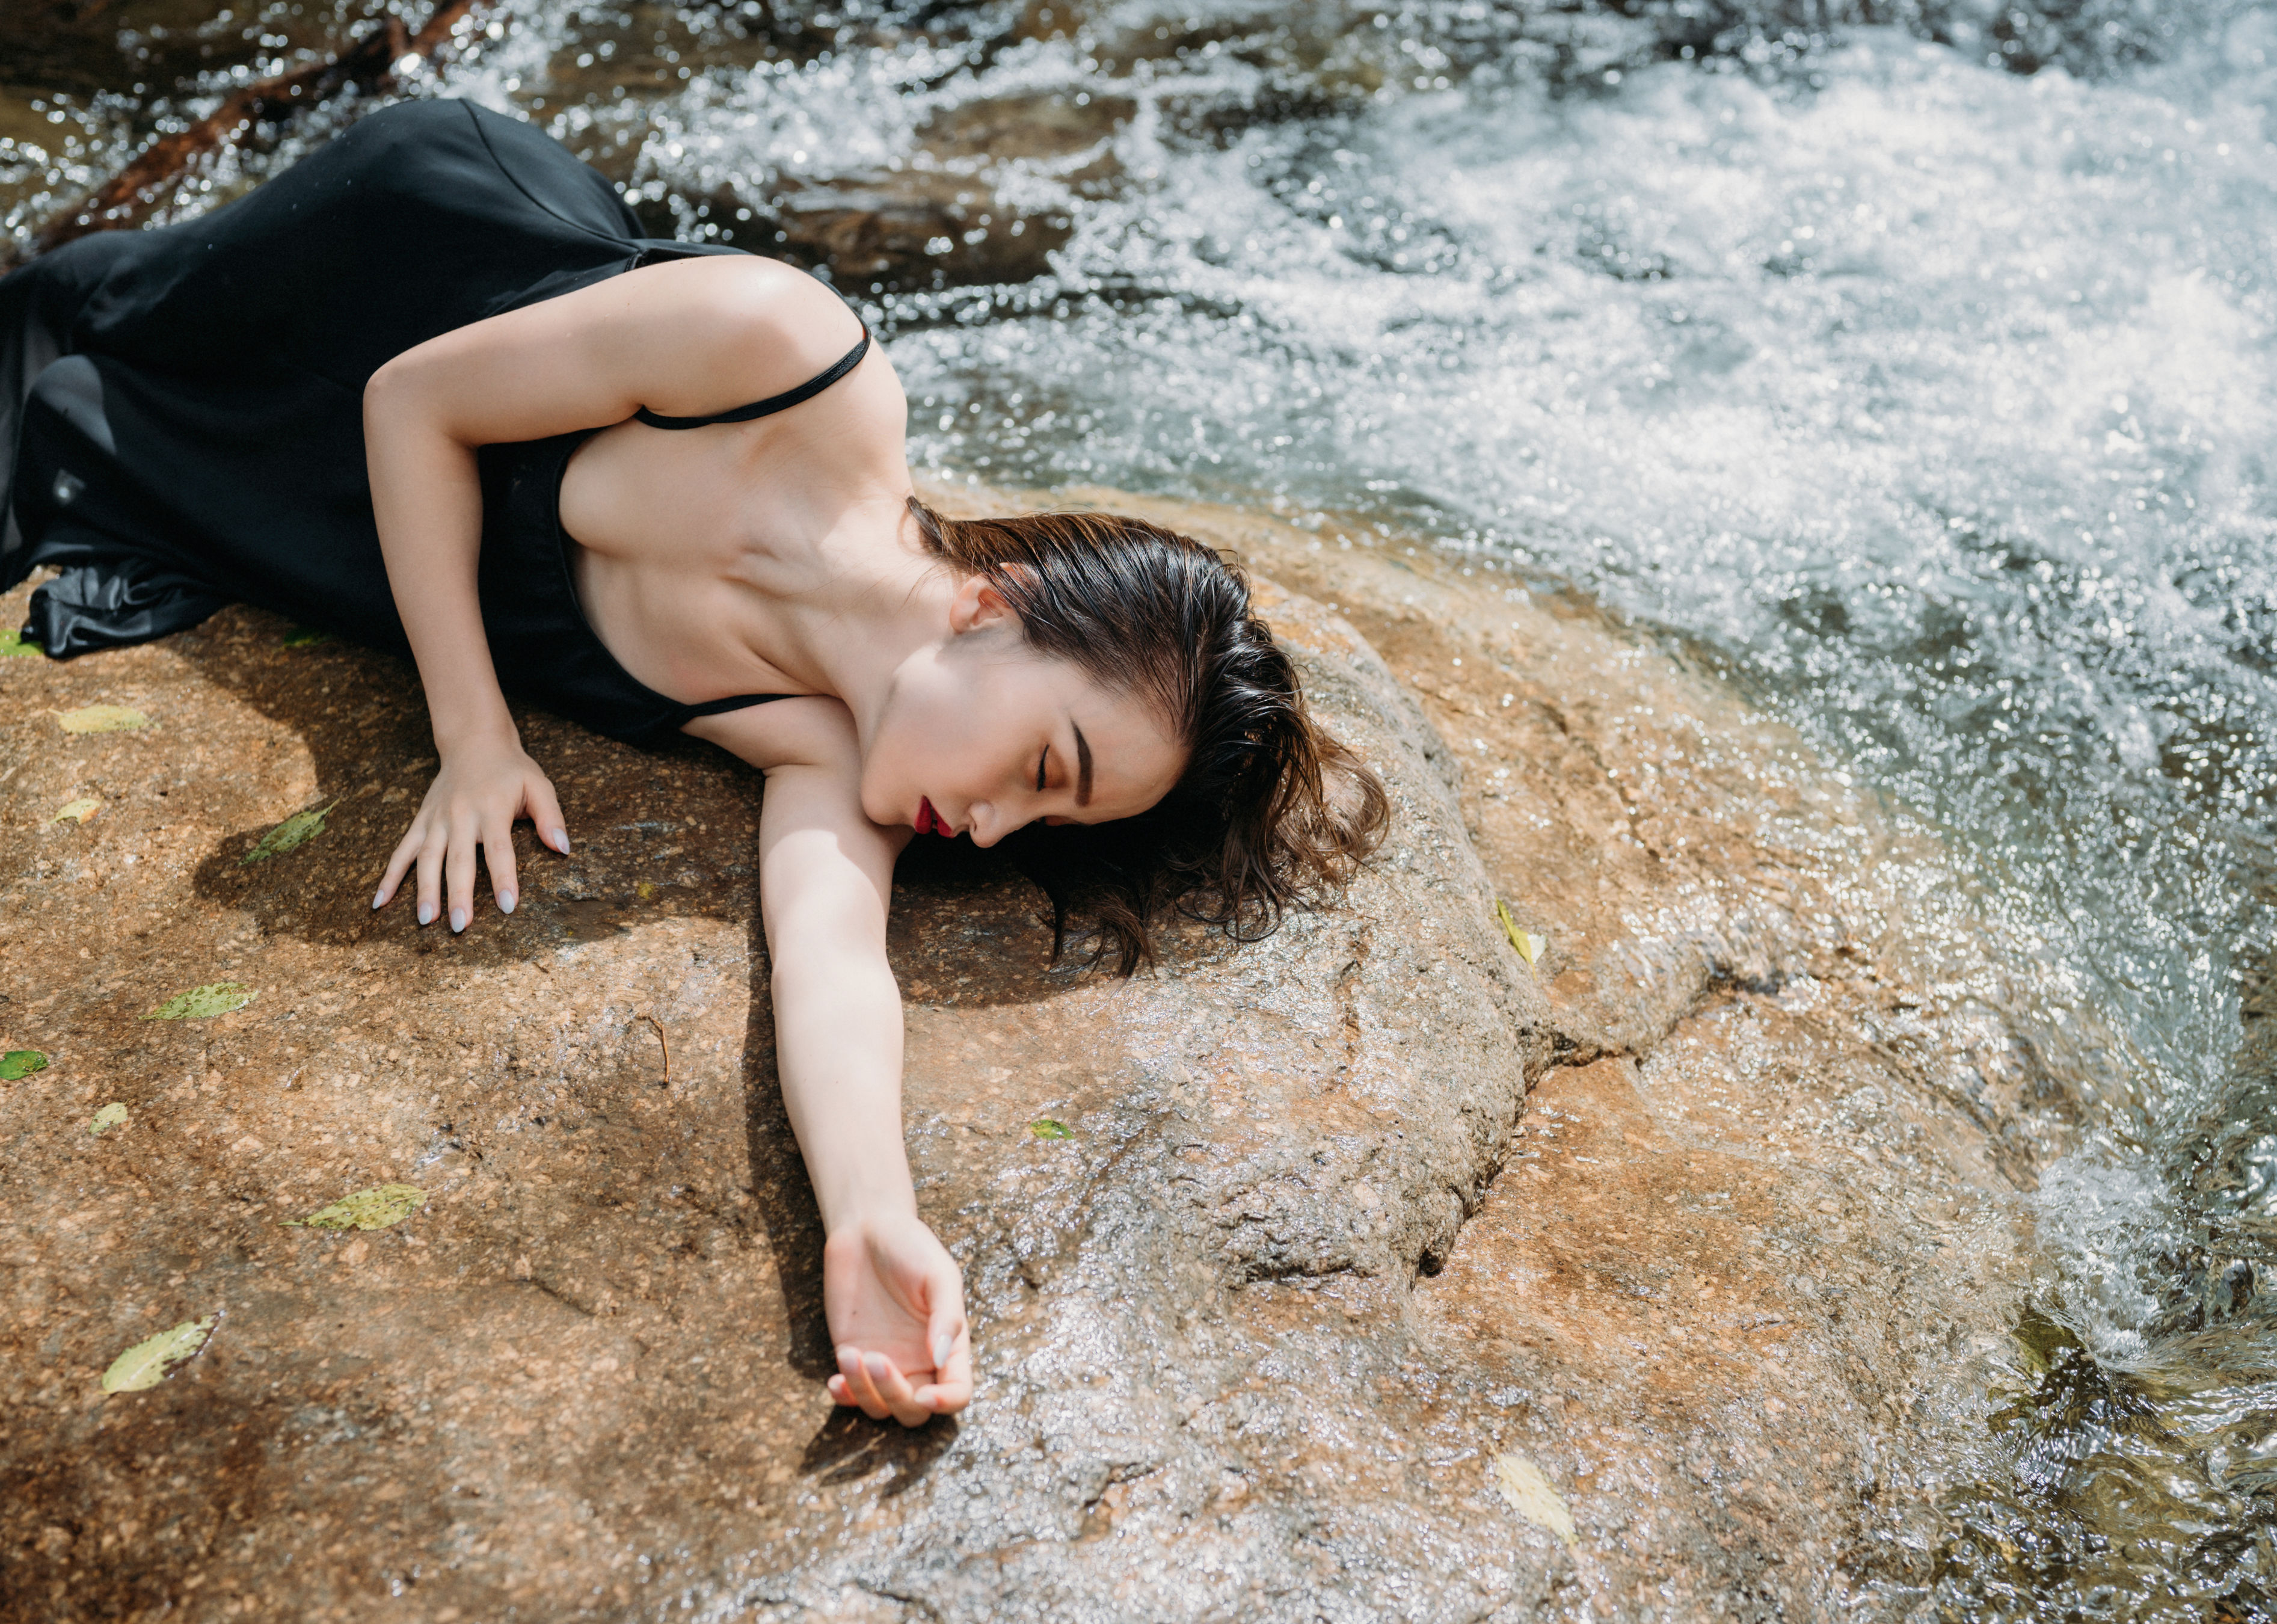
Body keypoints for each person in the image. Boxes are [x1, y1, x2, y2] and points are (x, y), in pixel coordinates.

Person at [0, 97, 1385, 1427]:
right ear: (995, 602)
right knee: (93, 306)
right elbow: (414, 402)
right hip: (406, 253)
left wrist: (871, 1221)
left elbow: (835, 967)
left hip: (300, 490)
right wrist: (473, 738)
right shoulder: (783, 348)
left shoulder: (826, 741)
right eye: (1047, 762)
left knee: (57, 412)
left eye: (1049, 819)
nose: (999, 821)